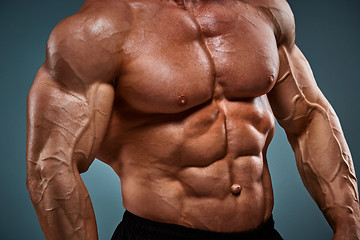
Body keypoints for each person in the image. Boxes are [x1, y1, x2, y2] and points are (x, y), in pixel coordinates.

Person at [26, 0, 360, 239]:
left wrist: (349, 223)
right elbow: (51, 164)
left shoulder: (263, 9)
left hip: (263, 231)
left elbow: (309, 117)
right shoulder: (98, 30)